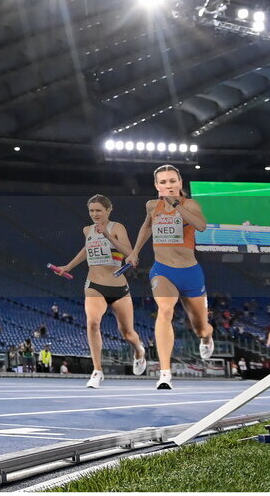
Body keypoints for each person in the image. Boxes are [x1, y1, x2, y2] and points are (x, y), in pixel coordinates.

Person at [126, 165, 212, 390]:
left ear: (180, 182)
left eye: (172, 181)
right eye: (163, 182)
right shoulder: (152, 205)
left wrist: (175, 205)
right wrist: (135, 251)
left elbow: (201, 226)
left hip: (190, 272)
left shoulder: (190, 205)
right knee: (165, 310)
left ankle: (206, 338)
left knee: (200, 328)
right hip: (163, 270)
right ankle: (165, 373)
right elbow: (147, 226)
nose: (168, 185)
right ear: (156, 186)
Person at [53, 194, 147, 388]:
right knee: (93, 323)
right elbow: (87, 249)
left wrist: (107, 235)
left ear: (108, 210)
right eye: (91, 210)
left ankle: (139, 351)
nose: (94, 214)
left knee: (127, 333)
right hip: (94, 284)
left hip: (118, 286)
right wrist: (68, 266)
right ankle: (97, 371)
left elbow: (129, 253)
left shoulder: (117, 227)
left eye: (98, 210)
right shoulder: (87, 229)